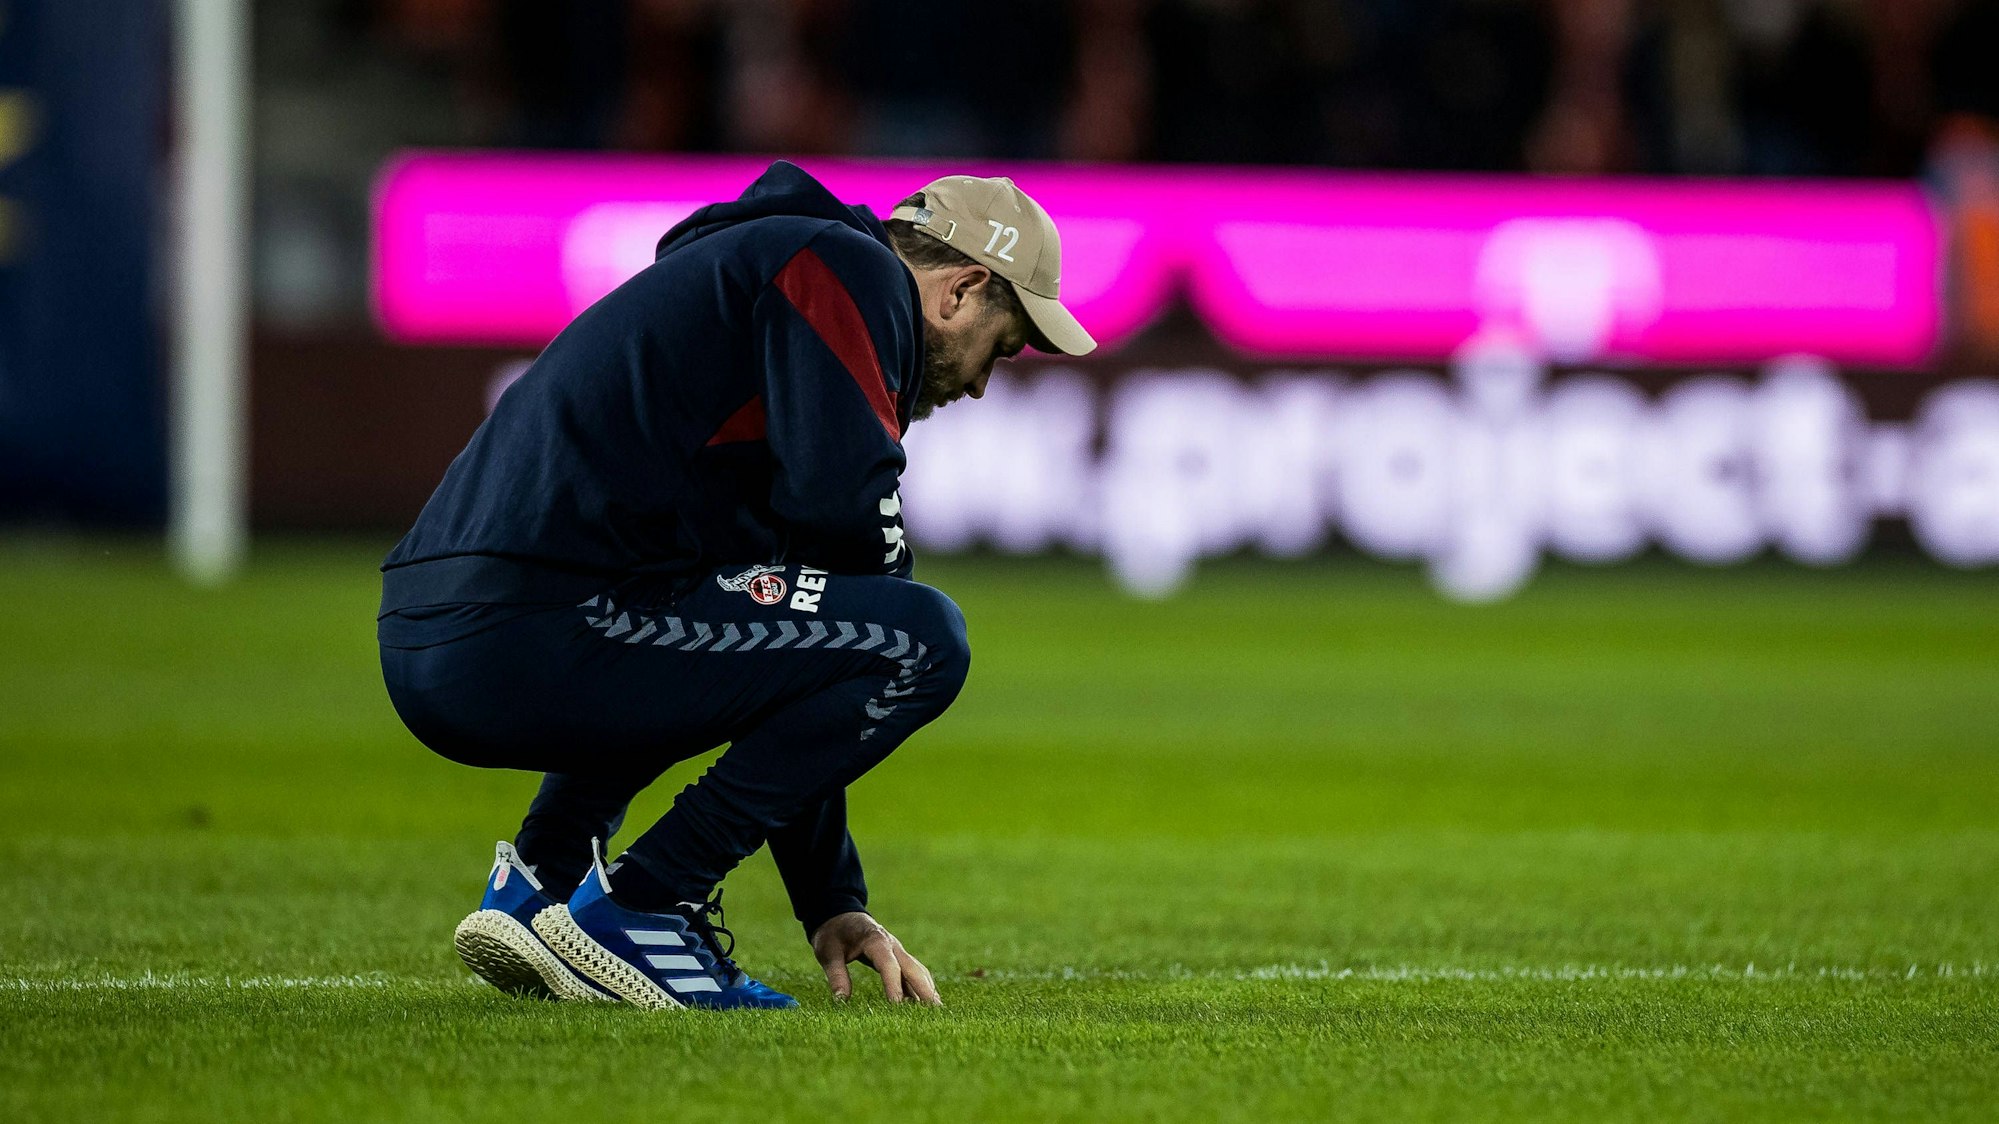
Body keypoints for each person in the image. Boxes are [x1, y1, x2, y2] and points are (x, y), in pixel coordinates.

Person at [376, 160, 1096, 1010]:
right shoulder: (845, 267)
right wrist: (882, 583)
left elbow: (790, 655)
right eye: (1000, 347)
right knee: (923, 637)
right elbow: (848, 538)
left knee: (735, 624)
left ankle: (542, 884)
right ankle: (645, 903)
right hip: (533, 625)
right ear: (959, 290)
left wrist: (830, 898)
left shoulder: (756, 286)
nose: (979, 382)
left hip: (441, 631)